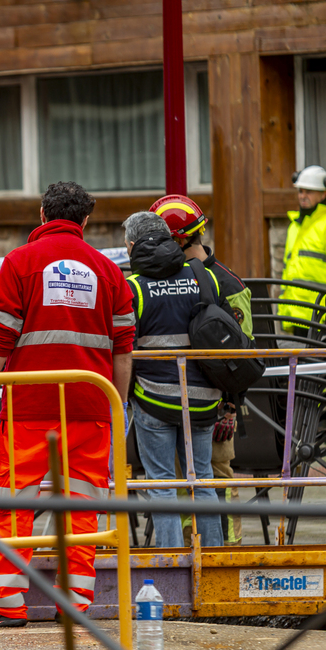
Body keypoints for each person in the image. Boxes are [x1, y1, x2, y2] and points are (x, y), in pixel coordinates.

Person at [0, 181, 135, 627]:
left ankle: (6, 603)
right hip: (92, 405)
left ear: (42, 214)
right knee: (82, 509)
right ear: (84, 220)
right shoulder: (108, 270)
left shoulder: (20, 263)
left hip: (31, 406)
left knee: (14, 505)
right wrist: (115, 406)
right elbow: (123, 350)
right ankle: (75, 606)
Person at [150, 194, 249, 544]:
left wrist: (230, 407)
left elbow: (242, 352)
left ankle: (226, 556)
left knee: (216, 477)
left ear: (174, 239)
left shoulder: (226, 283)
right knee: (182, 483)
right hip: (180, 402)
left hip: (215, 406)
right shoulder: (184, 277)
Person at [122, 211, 224, 549]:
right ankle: (211, 562)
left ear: (133, 246)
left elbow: (123, 349)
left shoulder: (133, 288)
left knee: (161, 485)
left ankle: (168, 566)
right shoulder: (200, 275)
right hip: (204, 397)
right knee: (203, 482)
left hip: (154, 400)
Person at [279, 166, 326, 332]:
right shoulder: (295, 227)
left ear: (324, 193)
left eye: (309, 192)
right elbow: (287, 272)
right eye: (300, 191)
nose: (303, 196)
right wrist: (284, 311)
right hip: (294, 316)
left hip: (321, 318)